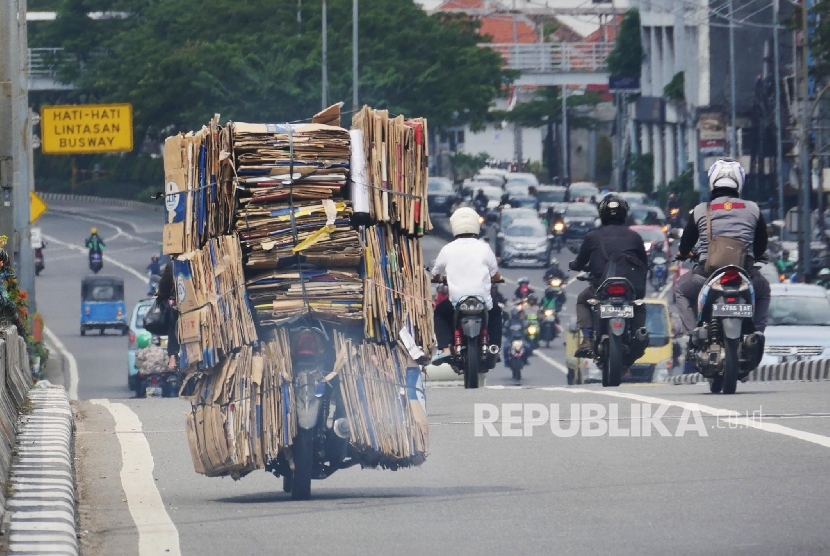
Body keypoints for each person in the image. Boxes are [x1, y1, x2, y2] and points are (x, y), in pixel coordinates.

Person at [673, 158, 770, 362]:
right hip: (745, 273)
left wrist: (685, 254)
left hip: (708, 273)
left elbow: (684, 245)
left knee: (681, 289)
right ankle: (757, 334)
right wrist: (758, 254)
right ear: (739, 182)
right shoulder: (753, 209)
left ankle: (693, 334)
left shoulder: (701, 210)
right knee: (764, 290)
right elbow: (761, 244)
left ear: (712, 181)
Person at [569, 194, 649, 357]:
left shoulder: (592, 236)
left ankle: (587, 339)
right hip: (630, 288)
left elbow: (579, 262)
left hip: (601, 287)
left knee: (582, 301)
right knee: (639, 305)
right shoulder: (635, 237)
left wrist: (574, 265)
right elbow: (644, 263)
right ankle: (637, 334)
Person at [431, 207, 504, 366]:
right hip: (482, 301)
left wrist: (438, 278)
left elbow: (435, 273)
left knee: (439, 313)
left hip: (457, 301)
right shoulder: (484, 247)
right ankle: (495, 347)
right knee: (496, 313)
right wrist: (498, 279)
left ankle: (445, 349)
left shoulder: (447, 249)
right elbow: (495, 274)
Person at [155, 259, 179, 371]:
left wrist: (160, 297)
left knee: (172, 323)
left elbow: (163, 287)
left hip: (180, 307)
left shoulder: (173, 264)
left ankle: (173, 357)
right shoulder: (202, 258)